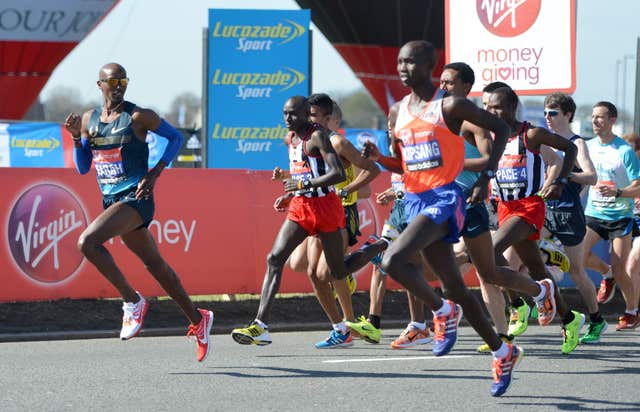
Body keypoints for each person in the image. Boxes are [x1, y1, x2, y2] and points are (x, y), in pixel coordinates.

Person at [363, 41, 522, 397]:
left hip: (445, 198)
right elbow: (404, 166)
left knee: (392, 260)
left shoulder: (449, 106)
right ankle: (502, 350)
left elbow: (502, 129)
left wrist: (486, 175)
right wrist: (377, 158)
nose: (403, 67)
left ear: (429, 66)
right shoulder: (397, 111)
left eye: (411, 61)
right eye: (400, 61)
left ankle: (441, 311)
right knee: (454, 287)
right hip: (416, 199)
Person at [63, 63, 213, 362]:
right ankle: (199, 318)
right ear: (100, 85)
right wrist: (75, 138)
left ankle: (132, 301)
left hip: (136, 197)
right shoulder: (89, 119)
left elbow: (176, 138)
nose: (118, 86)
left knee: (87, 243)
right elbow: (82, 167)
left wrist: (155, 172)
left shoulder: (139, 116)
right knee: (156, 266)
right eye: (112, 81)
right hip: (112, 201)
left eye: (123, 81)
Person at [231, 96, 386, 346]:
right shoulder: (291, 138)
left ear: (306, 113)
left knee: (337, 271)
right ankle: (260, 326)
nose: (288, 119)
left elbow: (336, 174)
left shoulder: (320, 137)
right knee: (275, 258)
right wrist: (290, 193)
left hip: (327, 208)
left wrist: (304, 184)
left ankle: (376, 247)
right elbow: (303, 169)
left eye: (293, 114)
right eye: (284, 113)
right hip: (301, 207)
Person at [485, 87, 585, 354]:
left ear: (512, 107)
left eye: (497, 108)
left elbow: (570, 148)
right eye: (488, 108)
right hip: (505, 208)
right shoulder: (495, 138)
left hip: (529, 207)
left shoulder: (531, 134)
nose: (491, 113)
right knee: (539, 273)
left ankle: (518, 303)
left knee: (491, 249)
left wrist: (561, 181)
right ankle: (570, 318)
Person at [280, 94, 380, 348]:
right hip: (316, 209)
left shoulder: (338, 143)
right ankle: (342, 326)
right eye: (307, 115)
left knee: (327, 273)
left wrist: (348, 190)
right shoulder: (303, 140)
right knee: (307, 269)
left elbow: (372, 173)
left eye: (313, 116)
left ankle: (348, 320)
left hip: (342, 211)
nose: (307, 120)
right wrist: (290, 193)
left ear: (330, 119)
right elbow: (305, 175)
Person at [541, 92, 606, 343]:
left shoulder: (577, 143)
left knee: (578, 272)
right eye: (546, 112)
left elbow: (591, 177)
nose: (547, 117)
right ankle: (538, 299)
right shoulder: (544, 140)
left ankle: (596, 319)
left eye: (553, 113)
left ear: (567, 115)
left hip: (569, 212)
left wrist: (567, 175)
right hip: (546, 209)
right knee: (524, 253)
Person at [583, 102, 640, 330]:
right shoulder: (586, 147)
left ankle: (632, 311)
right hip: (594, 214)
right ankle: (606, 274)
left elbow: (638, 187)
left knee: (621, 268)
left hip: (620, 217)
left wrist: (618, 192)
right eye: (593, 117)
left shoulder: (624, 151)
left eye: (601, 117)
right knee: (578, 257)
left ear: (612, 120)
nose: (595, 121)